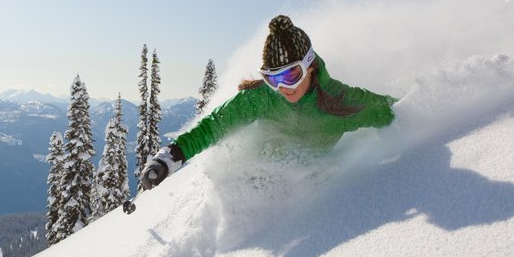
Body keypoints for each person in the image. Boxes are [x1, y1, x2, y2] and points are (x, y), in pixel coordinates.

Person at [140, 15, 397, 191]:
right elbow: (214, 126)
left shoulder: (339, 102)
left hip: (313, 188)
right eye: (273, 79)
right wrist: (170, 157)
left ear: (310, 66)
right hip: (263, 178)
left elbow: (396, 111)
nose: (283, 88)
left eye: (291, 75)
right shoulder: (262, 98)